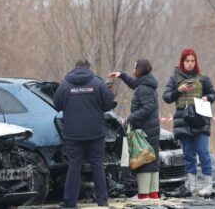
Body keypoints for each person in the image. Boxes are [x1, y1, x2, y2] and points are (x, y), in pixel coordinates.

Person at [53, 59, 115, 208]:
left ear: (75, 68)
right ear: (89, 68)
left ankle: (70, 202)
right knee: (97, 164)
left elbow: (57, 104)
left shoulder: (64, 85)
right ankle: (102, 200)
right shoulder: (98, 83)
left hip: (73, 133)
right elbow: (109, 104)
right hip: (95, 132)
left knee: (74, 165)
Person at [162, 48, 215, 197]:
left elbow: (213, 93)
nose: (190, 64)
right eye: (187, 61)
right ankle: (192, 187)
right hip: (183, 121)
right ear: (182, 61)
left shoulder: (203, 78)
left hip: (200, 120)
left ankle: (208, 186)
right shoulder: (175, 78)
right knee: (188, 155)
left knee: (204, 153)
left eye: (193, 61)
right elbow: (166, 97)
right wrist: (179, 90)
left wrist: (208, 98)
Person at [108, 59, 160, 200]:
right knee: (152, 161)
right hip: (151, 128)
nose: (133, 69)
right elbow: (133, 84)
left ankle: (143, 195)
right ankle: (154, 195)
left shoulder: (143, 88)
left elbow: (148, 107)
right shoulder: (146, 83)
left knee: (143, 161)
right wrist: (121, 75)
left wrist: (130, 118)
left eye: (134, 67)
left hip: (145, 130)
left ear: (140, 69)